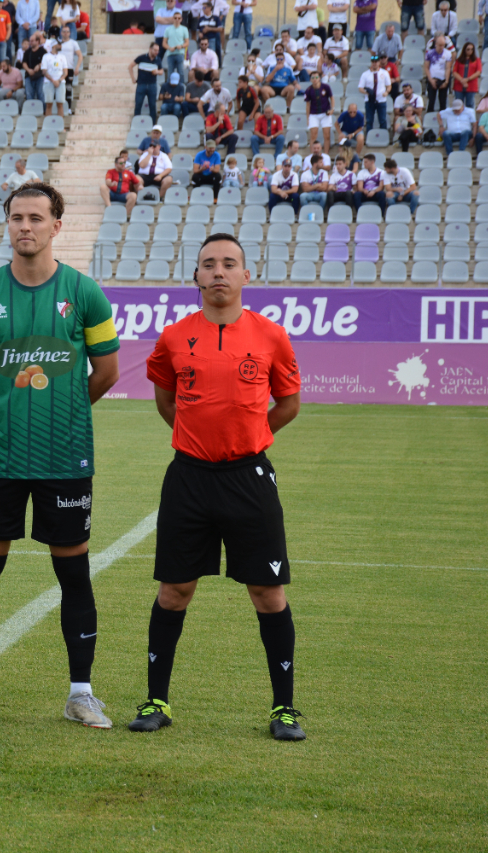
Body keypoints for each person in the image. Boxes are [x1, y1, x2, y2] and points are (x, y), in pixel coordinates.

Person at [0, 179, 119, 727]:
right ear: (9, 224)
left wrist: (66, 410)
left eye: (36, 218)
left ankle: (81, 694)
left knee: (73, 574)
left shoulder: (85, 293)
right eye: (17, 217)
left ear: (56, 226)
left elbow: (107, 371)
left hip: (64, 459)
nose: (26, 226)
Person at [130, 233, 304, 742]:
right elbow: (166, 401)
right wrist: (196, 438)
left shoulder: (271, 336)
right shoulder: (172, 337)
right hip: (188, 479)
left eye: (230, 264)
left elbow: (289, 404)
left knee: (267, 593)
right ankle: (156, 700)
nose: (219, 272)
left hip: (248, 479)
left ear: (247, 275)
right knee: (174, 590)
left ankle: (285, 709)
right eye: (209, 265)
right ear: (197, 277)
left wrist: (251, 436)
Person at [131, 42, 165, 122]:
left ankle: (153, 123)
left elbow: (161, 71)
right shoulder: (142, 57)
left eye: (158, 50)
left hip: (152, 85)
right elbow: (130, 66)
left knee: (152, 105)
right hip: (141, 84)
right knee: (138, 104)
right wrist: (133, 78)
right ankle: (136, 121)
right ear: (150, 49)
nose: (156, 52)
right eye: (155, 50)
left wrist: (157, 72)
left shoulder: (158, 59)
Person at [303, 71, 335, 147]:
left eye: (316, 77)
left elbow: (332, 98)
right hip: (313, 114)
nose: (315, 79)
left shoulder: (326, 87)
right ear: (310, 79)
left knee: (327, 135)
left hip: (325, 113)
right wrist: (308, 118)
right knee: (313, 135)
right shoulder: (308, 90)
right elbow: (307, 105)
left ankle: (326, 155)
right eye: (313, 78)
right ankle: (312, 156)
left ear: (319, 78)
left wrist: (332, 109)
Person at [425, 34, 455, 113]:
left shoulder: (448, 53)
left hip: (443, 79)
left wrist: (446, 81)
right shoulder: (429, 53)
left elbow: (448, 68)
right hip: (432, 78)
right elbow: (426, 67)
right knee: (431, 100)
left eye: (443, 45)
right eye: (440, 45)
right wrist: (430, 80)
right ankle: (430, 117)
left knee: (443, 101)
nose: (441, 47)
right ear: (436, 44)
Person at [452, 42, 482, 109]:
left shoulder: (477, 60)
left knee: (470, 104)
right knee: (459, 104)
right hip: (459, 85)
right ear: (464, 50)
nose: (470, 51)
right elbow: (454, 72)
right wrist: (462, 80)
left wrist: (467, 79)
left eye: (471, 49)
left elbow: (478, 71)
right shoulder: (459, 60)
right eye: (468, 49)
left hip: (471, 85)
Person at [41, 39, 67, 116]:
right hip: (49, 82)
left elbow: (65, 72)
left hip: (60, 82)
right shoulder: (46, 56)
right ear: (54, 45)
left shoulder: (62, 56)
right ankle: (48, 125)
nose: (61, 46)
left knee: (60, 104)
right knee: (49, 104)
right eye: (59, 44)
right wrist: (53, 80)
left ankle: (60, 125)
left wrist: (59, 80)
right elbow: (44, 71)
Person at [164, 11, 188, 82]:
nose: (177, 20)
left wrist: (181, 46)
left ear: (181, 19)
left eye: (179, 18)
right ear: (173, 19)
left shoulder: (184, 29)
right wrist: (169, 48)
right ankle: (169, 90)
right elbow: (164, 43)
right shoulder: (168, 29)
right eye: (175, 18)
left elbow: (187, 42)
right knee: (170, 73)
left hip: (180, 53)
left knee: (181, 72)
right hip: (170, 54)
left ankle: (182, 87)